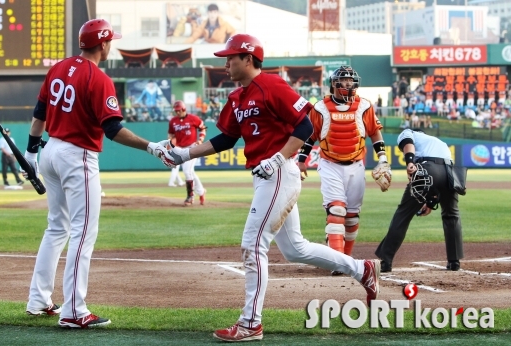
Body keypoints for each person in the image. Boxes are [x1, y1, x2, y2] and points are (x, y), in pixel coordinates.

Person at [162, 34, 380, 342]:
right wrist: (182, 153)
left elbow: (304, 126)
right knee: (296, 249)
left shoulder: (272, 85)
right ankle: (362, 269)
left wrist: (278, 159)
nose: (225, 64)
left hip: (278, 173)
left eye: (231, 58)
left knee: (253, 243)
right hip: (264, 174)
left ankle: (251, 322)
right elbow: (225, 139)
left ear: (248, 59)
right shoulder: (237, 97)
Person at [23, 19, 171, 329]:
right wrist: (151, 147)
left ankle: (38, 300)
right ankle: (74, 310)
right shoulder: (99, 78)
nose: (111, 45)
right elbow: (112, 129)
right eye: (110, 41)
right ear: (102, 44)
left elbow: (39, 116)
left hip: (51, 150)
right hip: (77, 155)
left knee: (56, 228)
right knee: (82, 232)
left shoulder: (59, 68)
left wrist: (31, 151)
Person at [297, 66, 391, 276]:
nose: (349, 85)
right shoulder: (320, 108)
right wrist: (302, 160)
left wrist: (383, 160)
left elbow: (375, 134)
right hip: (330, 164)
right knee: (336, 210)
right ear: (334, 84)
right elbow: (310, 136)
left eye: (351, 81)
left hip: (356, 165)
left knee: (351, 217)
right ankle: (338, 262)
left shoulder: (364, 106)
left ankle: (346, 258)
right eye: (344, 81)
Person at [375, 129, 464, 273]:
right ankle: (454, 262)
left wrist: (410, 161)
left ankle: (386, 261)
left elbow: (407, 142)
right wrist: (429, 202)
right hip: (450, 173)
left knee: (403, 214)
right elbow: (440, 178)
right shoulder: (439, 142)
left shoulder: (409, 132)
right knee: (451, 215)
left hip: (428, 169)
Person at [168, 100, 207, 205]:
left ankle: (190, 196)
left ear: (184, 109)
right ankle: (201, 191)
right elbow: (171, 134)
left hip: (192, 148)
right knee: (191, 172)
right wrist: (170, 144)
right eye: (176, 110)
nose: (177, 112)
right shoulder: (173, 121)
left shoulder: (193, 118)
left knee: (186, 171)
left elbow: (203, 128)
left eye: (179, 110)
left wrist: (200, 140)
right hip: (180, 149)